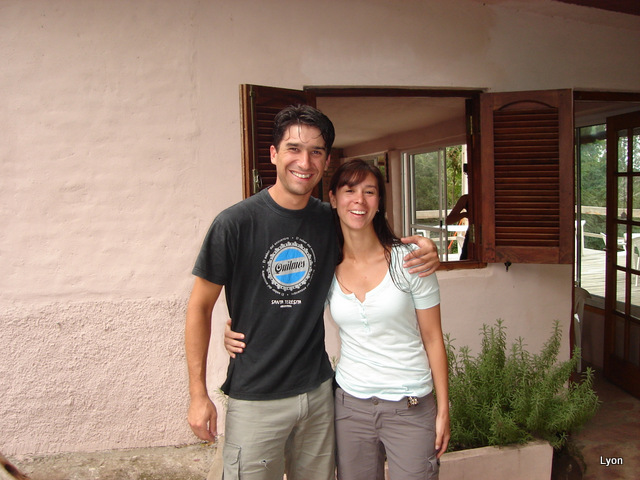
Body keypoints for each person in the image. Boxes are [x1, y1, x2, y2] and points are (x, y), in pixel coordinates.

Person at [185, 104, 440, 480]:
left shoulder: (328, 220)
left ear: (325, 161)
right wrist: (197, 393)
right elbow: (199, 307)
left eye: (316, 151)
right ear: (274, 153)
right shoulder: (235, 224)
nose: (304, 162)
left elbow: (370, 238)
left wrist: (427, 249)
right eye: (294, 148)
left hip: (318, 394)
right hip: (256, 397)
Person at [328, 159, 450, 479]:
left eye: (369, 192)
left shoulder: (410, 261)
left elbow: (433, 338)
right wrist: (240, 330)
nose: (359, 200)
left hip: (410, 406)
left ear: (379, 202)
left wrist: (443, 409)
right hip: (350, 407)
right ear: (333, 199)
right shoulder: (327, 265)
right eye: (349, 190)